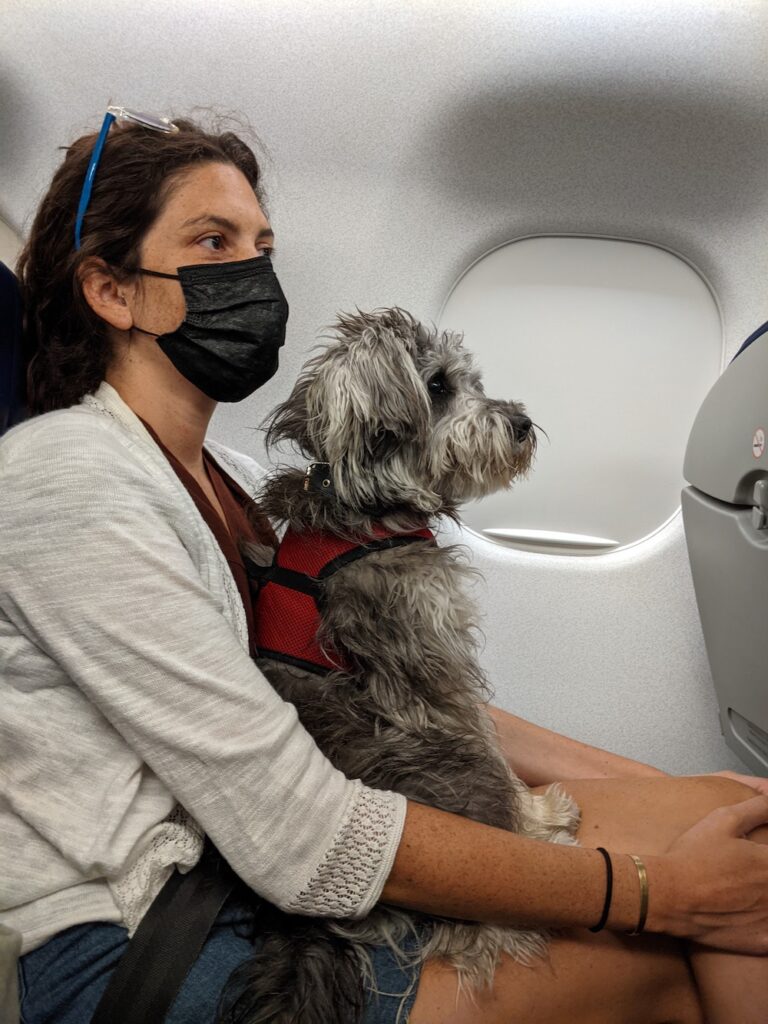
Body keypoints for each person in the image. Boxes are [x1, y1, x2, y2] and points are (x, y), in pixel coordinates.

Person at [1, 111, 768, 1024]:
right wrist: (653, 893)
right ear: (112, 290)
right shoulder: (62, 478)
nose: (254, 273)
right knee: (703, 941)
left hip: (251, 884)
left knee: (739, 826)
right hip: (151, 949)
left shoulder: (240, 483)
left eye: (263, 245)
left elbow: (398, 694)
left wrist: (671, 786)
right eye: (214, 241)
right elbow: (299, 829)